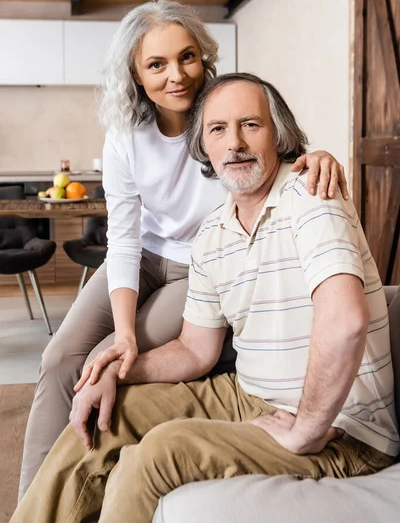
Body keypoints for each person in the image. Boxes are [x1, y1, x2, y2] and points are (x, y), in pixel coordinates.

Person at [12, 73, 398, 523]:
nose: (234, 142)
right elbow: (195, 350)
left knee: (157, 454)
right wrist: (117, 371)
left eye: (251, 125)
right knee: (113, 414)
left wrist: (306, 430)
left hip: (344, 428)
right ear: (204, 148)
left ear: (279, 136)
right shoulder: (213, 232)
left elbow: (346, 320)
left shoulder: (312, 196)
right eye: (218, 129)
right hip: (248, 395)